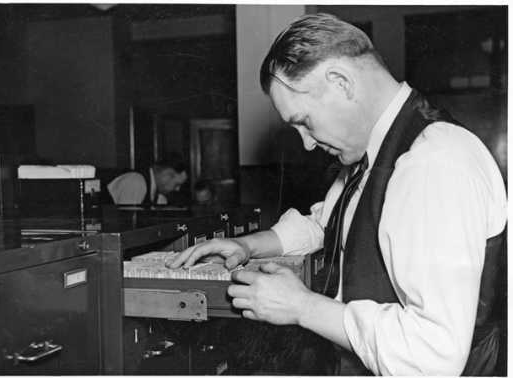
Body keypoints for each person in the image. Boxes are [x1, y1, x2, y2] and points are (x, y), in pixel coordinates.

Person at [167, 13, 507, 376]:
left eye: (304, 121)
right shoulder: (377, 152)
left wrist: (302, 307)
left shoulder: (432, 163)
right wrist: (249, 246)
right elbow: (330, 221)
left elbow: (432, 353)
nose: (307, 143)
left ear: (341, 82)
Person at [107, 159, 188, 205]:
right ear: (167, 175)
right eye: (177, 184)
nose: (177, 189)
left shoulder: (159, 197)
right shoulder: (136, 182)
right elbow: (126, 223)